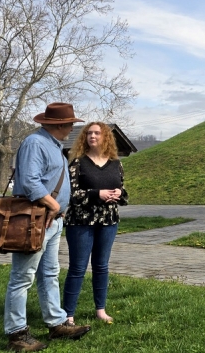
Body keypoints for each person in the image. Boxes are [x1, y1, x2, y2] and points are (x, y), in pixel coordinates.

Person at [4, 102, 91, 352]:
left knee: (49, 273)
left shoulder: (53, 145)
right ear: (61, 125)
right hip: (37, 218)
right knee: (23, 277)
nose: (72, 127)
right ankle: (17, 333)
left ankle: (56, 323)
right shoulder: (35, 143)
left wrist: (57, 210)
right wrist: (53, 204)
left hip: (52, 219)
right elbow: (30, 181)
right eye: (71, 123)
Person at [63, 122, 128, 326]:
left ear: (105, 137)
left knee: (101, 266)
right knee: (77, 268)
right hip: (81, 222)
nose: (92, 136)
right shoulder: (77, 163)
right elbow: (72, 194)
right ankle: (68, 315)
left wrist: (120, 194)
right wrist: (96, 194)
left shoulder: (116, 163)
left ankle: (100, 309)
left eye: (97, 133)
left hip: (108, 221)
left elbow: (124, 192)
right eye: (89, 133)